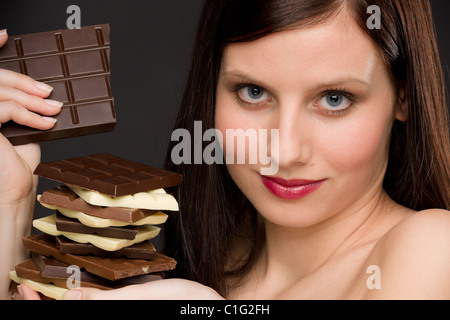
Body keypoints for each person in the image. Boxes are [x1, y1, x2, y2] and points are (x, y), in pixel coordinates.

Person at [1, 0, 449, 300]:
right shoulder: (200, 264)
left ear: (404, 97)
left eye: (335, 99)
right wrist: (11, 201)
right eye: (253, 92)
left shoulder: (432, 249)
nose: (283, 151)